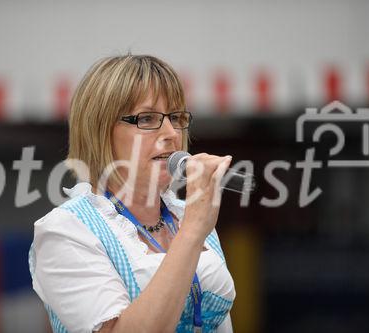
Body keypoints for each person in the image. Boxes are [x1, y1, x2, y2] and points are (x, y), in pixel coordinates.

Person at [29, 54, 236, 333]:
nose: (171, 133)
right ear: (100, 130)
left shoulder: (189, 215)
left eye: (176, 117)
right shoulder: (66, 231)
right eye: (147, 118)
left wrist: (194, 227)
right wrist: (191, 233)